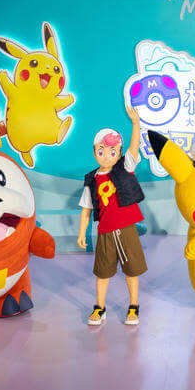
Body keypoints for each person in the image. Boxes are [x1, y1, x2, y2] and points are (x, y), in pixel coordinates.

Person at [77, 103, 147, 326]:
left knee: (131, 271)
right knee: (102, 273)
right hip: (105, 232)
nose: (106, 156)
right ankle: (100, 307)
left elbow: (134, 148)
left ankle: (134, 305)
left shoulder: (124, 168)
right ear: (94, 152)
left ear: (119, 154)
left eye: (112, 152)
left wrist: (136, 124)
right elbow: (86, 209)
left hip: (126, 229)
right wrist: (82, 233)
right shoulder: (91, 179)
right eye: (101, 151)